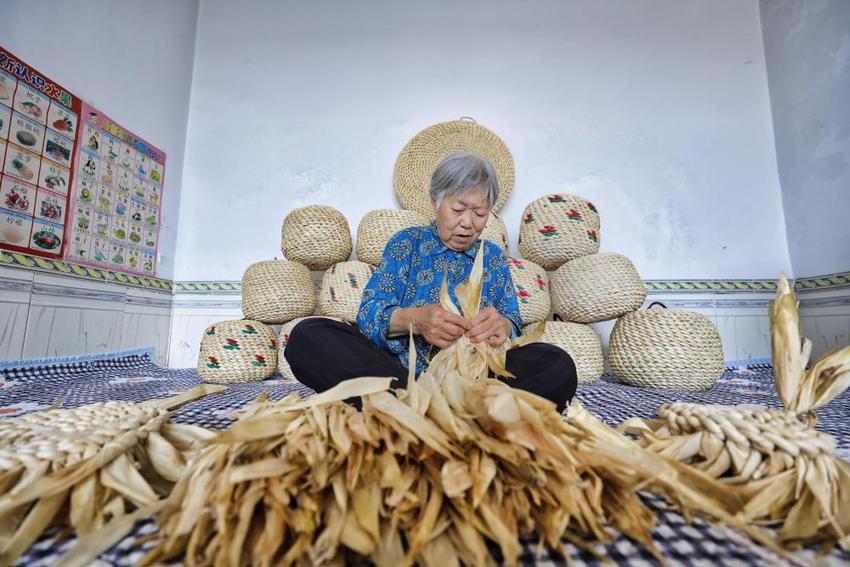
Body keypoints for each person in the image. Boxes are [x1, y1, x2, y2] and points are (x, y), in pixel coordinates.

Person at [285, 152, 577, 412]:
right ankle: (424, 408)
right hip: (398, 376)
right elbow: (369, 314)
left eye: (479, 213)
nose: (468, 223)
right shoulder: (406, 244)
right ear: (436, 201)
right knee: (309, 335)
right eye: (458, 209)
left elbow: (512, 320)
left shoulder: (493, 257)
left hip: (477, 381)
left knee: (556, 364)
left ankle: (423, 412)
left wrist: (501, 327)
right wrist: (414, 320)